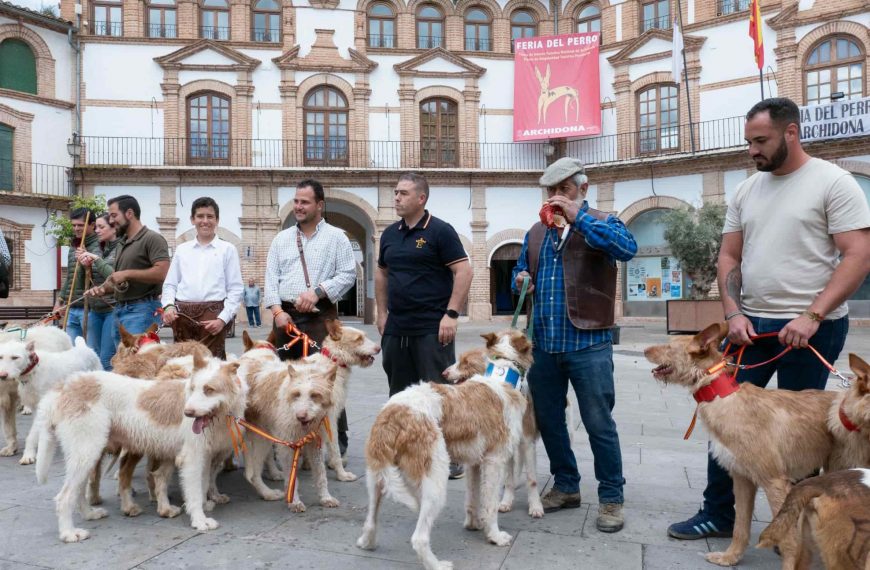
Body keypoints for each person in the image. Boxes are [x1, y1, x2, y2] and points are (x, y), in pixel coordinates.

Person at [668, 97, 870, 540]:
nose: (752, 150)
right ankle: (718, 514)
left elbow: (858, 255)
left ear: (791, 133)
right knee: (724, 419)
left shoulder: (834, 183)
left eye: (761, 141)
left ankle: (794, 527)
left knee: (803, 435)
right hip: (751, 328)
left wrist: (813, 314)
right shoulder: (746, 190)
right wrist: (733, 313)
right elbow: (728, 256)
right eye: (749, 142)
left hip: (811, 330)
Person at [512, 157, 637, 532]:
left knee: (599, 422)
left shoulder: (603, 221)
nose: (556, 198)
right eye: (551, 192)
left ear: (583, 189)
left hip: (589, 343)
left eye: (564, 190)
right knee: (549, 421)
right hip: (544, 346)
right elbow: (521, 270)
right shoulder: (536, 232)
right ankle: (566, 486)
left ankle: (612, 498)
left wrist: (578, 216)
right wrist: (520, 280)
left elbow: (626, 248)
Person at [376, 172, 473, 479]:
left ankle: (451, 456)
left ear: (421, 198)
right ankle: (406, 450)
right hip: (397, 327)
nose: (396, 198)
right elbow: (382, 274)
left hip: (433, 326)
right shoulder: (390, 234)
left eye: (403, 193)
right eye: (395, 192)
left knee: (438, 391)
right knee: (399, 392)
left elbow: (464, 271)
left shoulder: (440, 231)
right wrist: (381, 312)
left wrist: (452, 314)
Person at [265, 179, 356, 454]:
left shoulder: (337, 237)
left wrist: (317, 292)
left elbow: (348, 274)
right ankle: (291, 441)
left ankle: (334, 444)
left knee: (327, 382)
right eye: (296, 201)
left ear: (320, 205)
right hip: (286, 321)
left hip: (321, 319)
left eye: (305, 202)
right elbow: (270, 279)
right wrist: (277, 312)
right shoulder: (281, 239)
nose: (298, 207)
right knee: (288, 381)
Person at [161, 197, 243, 359]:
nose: (205, 221)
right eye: (200, 216)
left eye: (210, 216)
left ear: (217, 220)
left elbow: (236, 289)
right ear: (192, 219)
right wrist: (168, 306)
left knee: (212, 371)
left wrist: (222, 319)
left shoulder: (228, 249)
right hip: (182, 319)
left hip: (212, 320)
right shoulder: (182, 250)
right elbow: (170, 285)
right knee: (182, 369)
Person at [86, 195, 169, 342]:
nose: (111, 221)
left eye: (114, 215)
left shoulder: (152, 239)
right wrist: (103, 289)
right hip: (120, 310)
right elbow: (120, 280)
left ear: (129, 213)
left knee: (137, 361)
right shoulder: (122, 243)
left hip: (142, 310)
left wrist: (127, 274)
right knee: (123, 361)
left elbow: (162, 272)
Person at [76, 214, 120, 370]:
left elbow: (115, 276)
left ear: (114, 228)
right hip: (94, 310)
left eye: (102, 227)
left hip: (112, 309)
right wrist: (83, 266)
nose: (97, 231)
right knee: (93, 356)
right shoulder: (98, 249)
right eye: (96, 228)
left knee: (107, 358)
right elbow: (82, 284)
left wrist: (96, 259)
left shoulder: (121, 249)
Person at [55, 208, 101, 342]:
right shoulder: (73, 247)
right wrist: (60, 301)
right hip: (72, 307)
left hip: (91, 309)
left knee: (92, 351)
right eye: (73, 225)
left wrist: (88, 261)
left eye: (80, 225)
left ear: (92, 225)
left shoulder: (101, 245)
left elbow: (100, 276)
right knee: (72, 352)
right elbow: (70, 277)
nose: (76, 228)